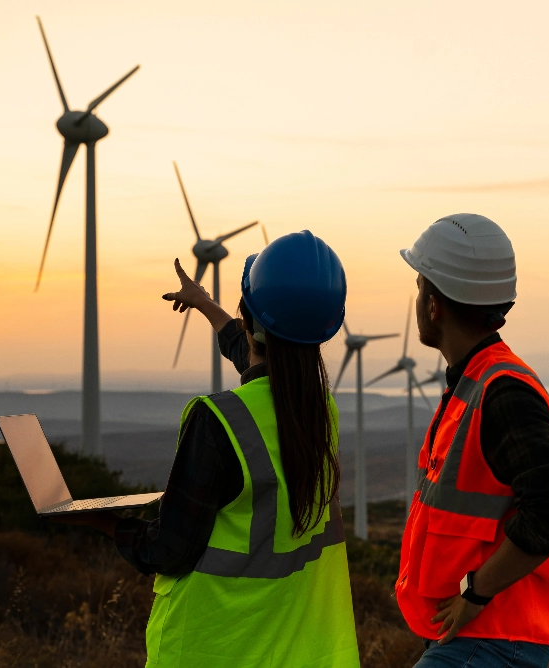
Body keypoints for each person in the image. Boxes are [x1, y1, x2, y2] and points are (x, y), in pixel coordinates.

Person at [58, 230, 361, 667]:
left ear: (253, 322)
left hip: (214, 647)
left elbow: (167, 549)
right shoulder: (319, 412)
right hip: (298, 650)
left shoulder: (220, 421)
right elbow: (259, 355)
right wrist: (205, 304)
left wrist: (103, 521)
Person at [395, 214, 549, 668]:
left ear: (435, 304)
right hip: (476, 640)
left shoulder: (503, 392)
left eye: (420, 285)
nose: (417, 298)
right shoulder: (476, 382)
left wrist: (476, 594)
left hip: (492, 641)